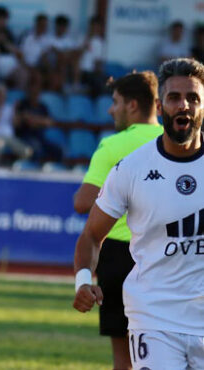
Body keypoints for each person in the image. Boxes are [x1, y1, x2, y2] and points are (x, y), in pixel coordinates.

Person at [73, 58, 204, 369]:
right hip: (154, 318)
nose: (183, 105)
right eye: (174, 98)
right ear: (159, 107)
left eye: (193, 98)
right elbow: (91, 234)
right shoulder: (131, 169)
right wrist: (82, 280)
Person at [72, 71, 162, 370]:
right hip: (164, 253)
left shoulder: (112, 146)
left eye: (116, 102)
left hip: (119, 255)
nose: (112, 109)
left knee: (124, 359)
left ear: (132, 105)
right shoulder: (175, 144)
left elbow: (83, 202)